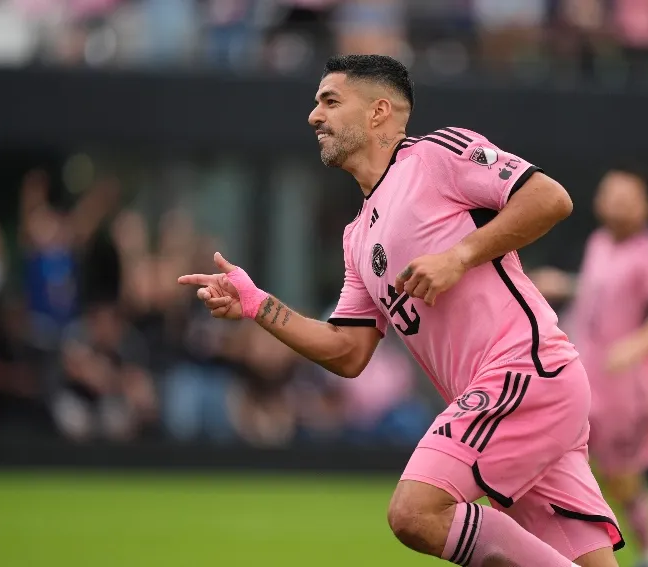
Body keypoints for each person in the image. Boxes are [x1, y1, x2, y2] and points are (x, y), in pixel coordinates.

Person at [179, 54, 622, 567]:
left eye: (330, 101)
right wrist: (259, 305)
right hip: (516, 394)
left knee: (415, 512)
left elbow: (551, 199)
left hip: (525, 372)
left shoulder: (435, 155)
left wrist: (460, 255)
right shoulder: (357, 235)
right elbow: (347, 351)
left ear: (378, 112)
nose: (313, 116)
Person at [531, 168, 648, 567]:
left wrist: (634, 346)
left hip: (624, 390)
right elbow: (603, 291)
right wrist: (564, 283)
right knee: (557, 465)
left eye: (626, 196)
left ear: (645, 206)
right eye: (611, 193)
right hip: (582, 379)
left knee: (621, 478)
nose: (616, 202)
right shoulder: (599, 242)